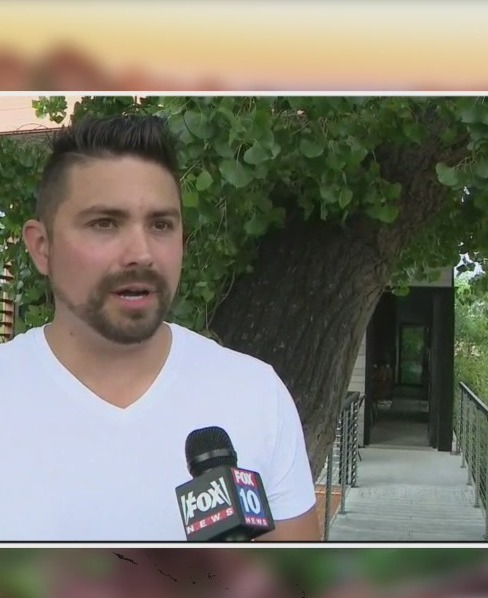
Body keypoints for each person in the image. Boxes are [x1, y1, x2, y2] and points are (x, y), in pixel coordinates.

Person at [0, 115, 320, 542]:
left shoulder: (256, 394)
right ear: (42, 247)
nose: (142, 253)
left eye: (161, 225)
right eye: (105, 223)